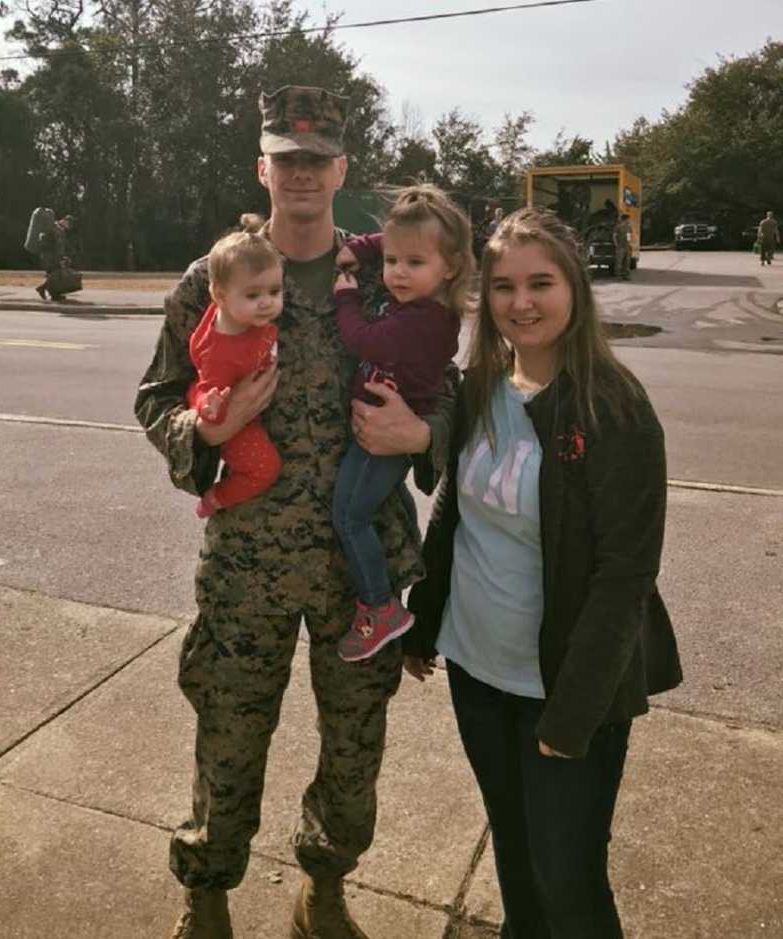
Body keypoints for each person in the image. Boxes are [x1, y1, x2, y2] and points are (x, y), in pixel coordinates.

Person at [134, 85, 456, 939]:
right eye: (287, 158)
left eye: (319, 159)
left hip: (365, 567)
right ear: (262, 167)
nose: (303, 172)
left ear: (342, 168)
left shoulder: (387, 274)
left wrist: (423, 431)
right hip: (249, 561)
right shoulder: (216, 277)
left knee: (354, 748)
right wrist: (209, 428)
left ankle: (325, 882)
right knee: (229, 735)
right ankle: (206, 892)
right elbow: (156, 397)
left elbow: (451, 389)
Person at [403, 207, 682, 939]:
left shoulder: (614, 407)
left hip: (562, 687)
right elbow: (451, 515)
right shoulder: (478, 388)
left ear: (575, 289)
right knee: (518, 857)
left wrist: (573, 711)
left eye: (540, 282)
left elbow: (625, 574)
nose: (520, 302)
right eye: (502, 286)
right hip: (478, 671)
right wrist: (422, 621)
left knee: (569, 879)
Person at [331, 185, 473, 662]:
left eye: (414, 263)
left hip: (383, 440)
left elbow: (362, 340)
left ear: (449, 267)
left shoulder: (426, 320)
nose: (397, 273)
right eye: (392, 261)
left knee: (350, 517)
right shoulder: (416, 299)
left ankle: (379, 605)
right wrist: (363, 247)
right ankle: (378, 601)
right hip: (373, 432)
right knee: (354, 511)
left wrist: (346, 298)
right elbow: (388, 240)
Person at [186, 216, 283, 519]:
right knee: (265, 468)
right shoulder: (221, 352)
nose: (267, 303)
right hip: (233, 417)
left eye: (274, 292)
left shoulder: (245, 317)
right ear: (220, 297)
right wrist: (211, 408)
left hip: (250, 401)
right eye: (253, 295)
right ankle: (215, 499)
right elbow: (204, 390)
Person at [36, 214, 76, 301]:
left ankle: (53, 295)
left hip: (47, 255)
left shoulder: (54, 226)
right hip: (51, 256)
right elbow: (58, 246)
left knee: (53, 274)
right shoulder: (58, 229)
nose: (69, 227)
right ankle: (43, 289)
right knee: (56, 275)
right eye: (69, 224)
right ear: (65, 221)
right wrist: (62, 258)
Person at [614, 211, 632, 279]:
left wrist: (629, 244)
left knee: (627, 262)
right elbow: (614, 236)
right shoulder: (618, 227)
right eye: (628, 219)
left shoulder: (628, 227)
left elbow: (628, 236)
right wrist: (616, 244)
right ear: (625, 219)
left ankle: (626, 275)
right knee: (619, 261)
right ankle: (619, 275)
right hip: (620, 246)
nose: (629, 220)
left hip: (626, 246)